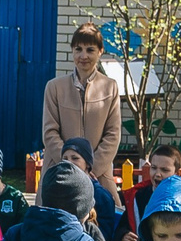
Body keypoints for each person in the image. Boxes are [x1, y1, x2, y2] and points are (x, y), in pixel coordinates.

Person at [43, 21, 122, 161]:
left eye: (90, 50)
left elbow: (113, 134)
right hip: (59, 169)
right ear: (72, 50)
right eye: (78, 49)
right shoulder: (54, 87)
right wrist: (70, 163)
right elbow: (50, 133)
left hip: (97, 174)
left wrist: (91, 167)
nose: (83, 56)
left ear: (100, 51)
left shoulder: (110, 87)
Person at [58, 136, 123, 241]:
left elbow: (104, 237)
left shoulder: (101, 195)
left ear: (87, 164)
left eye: (75, 158)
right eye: (65, 158)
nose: (69, 163)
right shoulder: (56, 191)